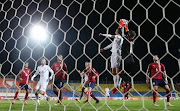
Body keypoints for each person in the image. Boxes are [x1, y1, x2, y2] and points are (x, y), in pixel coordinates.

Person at [99, 28, 123, 93]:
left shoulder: (119, 37)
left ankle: (118, 85)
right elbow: (111, 45)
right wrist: (104, 49)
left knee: (117, 71)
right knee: (113, 72)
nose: (115, 31)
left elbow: (111, 35)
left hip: (117, 55)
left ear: (118, 32)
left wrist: (103, 34)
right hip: (113, 54)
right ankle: (115, 86)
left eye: (116, 30)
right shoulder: (115, 39)